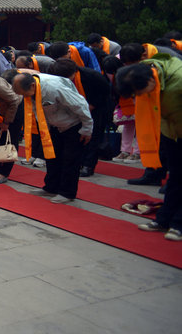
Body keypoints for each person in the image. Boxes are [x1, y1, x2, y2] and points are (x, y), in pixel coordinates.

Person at [116, 55, 182, 240]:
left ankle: (178, 225)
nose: (139, 97)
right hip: (171, 133)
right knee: (175, 178)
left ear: (151, 80)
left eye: (139, 92)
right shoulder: (146, 73)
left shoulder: (179, 80)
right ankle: (163, 220)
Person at [12, 72, 93, 204]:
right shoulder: (32, 91)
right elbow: (36, 110)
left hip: (73, 125)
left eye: (25, 94)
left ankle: (67, 193)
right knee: (52, 157)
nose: (25, 97)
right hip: (52, 126)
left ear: (32, 85)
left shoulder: (53, 87)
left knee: (70, 160)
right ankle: (51, 187)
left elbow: (80, 105)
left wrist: (87, 128)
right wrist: (45, 129)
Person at [50, 58, 113, 177]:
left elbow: (105, 92)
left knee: (93, 137)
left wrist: (92, 105)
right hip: (75, 110)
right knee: (78, 137)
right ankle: (77, 163)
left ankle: (88, 165)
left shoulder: (91, 76)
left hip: (97, 109)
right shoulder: (56, 77)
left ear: (74, 72)